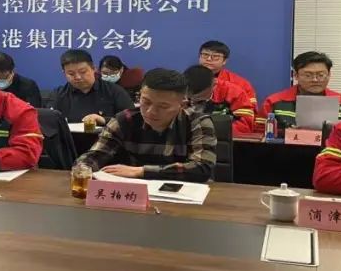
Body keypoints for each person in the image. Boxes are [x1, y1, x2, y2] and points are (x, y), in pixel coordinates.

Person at [74, 68, 217, 181]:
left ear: (182, 104)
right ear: (140, 95)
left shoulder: (197, 122)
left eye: (163, 106)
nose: (151, 111)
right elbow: (95, 155)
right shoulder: (124, 119)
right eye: (146, 102)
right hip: (132, 193)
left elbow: (202, 168)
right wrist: (83, 170)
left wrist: (141, 171)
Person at [258, 51, 341, 130]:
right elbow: (259, 134)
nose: (315, 80)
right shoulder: (274, 102)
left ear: (329, 75)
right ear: (296, 75)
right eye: (308, 75)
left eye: (321, 75)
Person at [51, 49, 133, 126]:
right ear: (64, 73)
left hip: (105, 136)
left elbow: (131, 119)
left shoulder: (115, 91)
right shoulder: (58, 95)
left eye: (83, 72)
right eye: (71, 74)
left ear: (93, 68)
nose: (78, 77)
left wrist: (104, 120)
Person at [183, 65, 255, 135]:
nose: (193, 101)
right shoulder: (179, 92)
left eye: (199, 98)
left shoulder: (235, 93)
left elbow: (245, 126)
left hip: (222, 139)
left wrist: (211, 130)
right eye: (190, 97)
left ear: (214, 85)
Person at [198, 40, 257, 106]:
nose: (209, 59)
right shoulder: (188, 79)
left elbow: (250, 108)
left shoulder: (241, 84)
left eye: (215, 56)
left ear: (224, 61)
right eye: (205, 55)